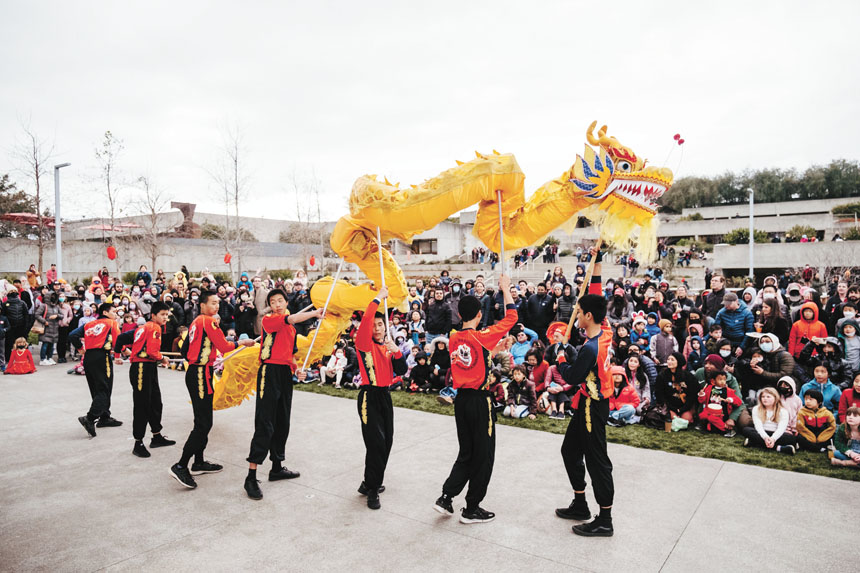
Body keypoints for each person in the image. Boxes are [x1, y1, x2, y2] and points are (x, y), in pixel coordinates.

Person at [434, 273, 517, 524]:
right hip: (480, 401)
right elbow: (512, 317)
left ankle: (446, 496)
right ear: (479, 314)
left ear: (460, 315)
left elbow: (472, 356)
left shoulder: (453, 337)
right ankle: (472, 508)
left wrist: (494, 350)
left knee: (467, 451)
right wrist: (505, 289)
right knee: (484, 454)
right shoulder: (482, 335)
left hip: (461, 401)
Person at [554, 250, 616, 538]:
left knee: (598, 462)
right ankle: (580, 503)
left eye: (579, 312)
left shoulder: (591, 348)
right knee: (569, 452)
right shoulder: (605, 331)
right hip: (586, 406)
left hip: (593, 407)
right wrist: (598, 262)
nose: (576, 315)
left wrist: (560, 354)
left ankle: (604, 519)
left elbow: (570, 377)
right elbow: (596, 294)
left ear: (588, 316)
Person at [169, 291, 255, 490]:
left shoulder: (196, 322)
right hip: (200, 375)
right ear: (202, 305)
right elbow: (225, 346)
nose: (217, 306)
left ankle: (198, 462)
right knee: (203, 423)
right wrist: (242, 342)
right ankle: (181, 465)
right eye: (213, 303)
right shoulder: (208, 321)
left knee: (203, 420)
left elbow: (186, 350)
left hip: (198, 372)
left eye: (218, 303)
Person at [244, 289, 321, 500]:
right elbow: (293, 317)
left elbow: (291, 356)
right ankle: (251, 477)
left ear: (286, 302)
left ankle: (276, 467)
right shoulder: (269, 321)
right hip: (268, 372)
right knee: (265, 423)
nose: (277, 304)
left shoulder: (292, 330)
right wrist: (315, 313)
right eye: (273, 301)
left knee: (282, 421)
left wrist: (298, 370)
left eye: (280, 300)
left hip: (284, 375)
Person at [354, 286, 408, 510]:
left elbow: (402, 370)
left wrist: (396, 350)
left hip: (385, 396)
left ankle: (368, 483)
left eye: (380, 324)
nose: (377, 328)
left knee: (386, 442)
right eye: (374, 325)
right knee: (375, 444)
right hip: (369, 397)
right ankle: (373, 490)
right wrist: (378, 298)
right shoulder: (363, 345)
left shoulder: (387, 346)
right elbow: (366, 320)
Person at [128, 302, 175, 458]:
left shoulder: (143, 327)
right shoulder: (154, 327)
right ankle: (138, 442)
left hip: (148, 367)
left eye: (167, 315)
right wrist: (163, 358)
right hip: (142, 367)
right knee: (142, 404)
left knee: (155, 401)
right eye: (162, 314)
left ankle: (156, 435)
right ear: (153, 315)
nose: (165, 318)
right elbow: (152, 351)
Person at [77, 303, 122, 438]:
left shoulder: (89, 324)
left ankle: (104, 417)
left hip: (89, 357)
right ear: (106, 312)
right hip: (102, 357)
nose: (115, 313)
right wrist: (119, 356)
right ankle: (90, 418)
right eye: (113, 311)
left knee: (96, 388)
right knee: (104, 389)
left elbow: (72, 335)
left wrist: (80, 348)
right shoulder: (111, 323)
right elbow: (118, 341)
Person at [741, 387, 797, 454]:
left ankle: (754, 443)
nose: (765, 399)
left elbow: (781, 428)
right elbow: (758, 426)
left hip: (777, 434)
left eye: (768, 397)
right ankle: (779, 448)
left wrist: (773, 439)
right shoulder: (756, 409)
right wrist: (765, 438)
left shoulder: (783, 411)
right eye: (763, 396)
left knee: (792, 438)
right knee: (746, 430)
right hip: (762, 433)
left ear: (775, 398)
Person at [697, 369, 742, 434]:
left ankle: (726, 429)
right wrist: (701, 395)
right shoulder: (709, 388)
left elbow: (739, 402)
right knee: (702, 415)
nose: (723, 382)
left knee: (712, 418)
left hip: (722, 413)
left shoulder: (729, 391)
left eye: (724, 379)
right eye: (720, 379)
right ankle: (707, 427)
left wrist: (731, 400)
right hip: (709, 411)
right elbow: (702, 401)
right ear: (713, 381)